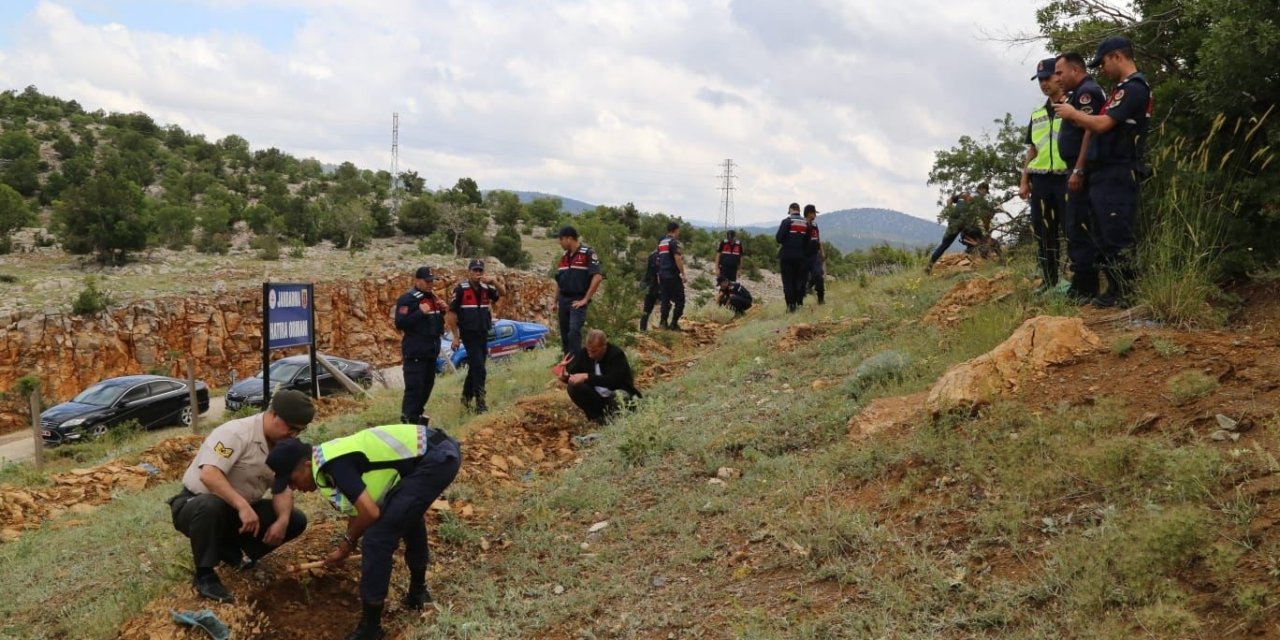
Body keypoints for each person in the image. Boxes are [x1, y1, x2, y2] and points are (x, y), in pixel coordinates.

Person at [266, 422, 461, 640]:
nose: (293, 488)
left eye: (291, 480)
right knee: (405, 516)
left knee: (377, 538)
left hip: (436, 459)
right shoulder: (326, 457)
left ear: (304, 464)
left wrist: (347, 543)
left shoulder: (334, 464)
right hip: (432, 453)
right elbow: (359, 506)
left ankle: (371, 628)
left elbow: (369, 513)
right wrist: (347, 544)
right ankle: (417, 593)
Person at [168, 389, 314, 603]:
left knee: (295, 519)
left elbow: (282, 488)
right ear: (273, 414)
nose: (293, 435)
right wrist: (242, 506)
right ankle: (205, 575)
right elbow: (209, 474)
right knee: (210, 505)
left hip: (237, 514)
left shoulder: (284, 447)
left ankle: (233, 553)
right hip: (196, 505)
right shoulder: (235, 434)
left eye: (298, 431)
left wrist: (282, 521)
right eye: (291, 428)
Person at [1054, 35, 1152, 308]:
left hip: (1117, 170)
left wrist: (1072, 114)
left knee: (1116, 232)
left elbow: (1103, 124)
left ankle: (1127, 290)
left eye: (1104, 62)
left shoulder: (1134, 88)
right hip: (1104, 172)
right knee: (1103, 233)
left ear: (1117, 57)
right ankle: (1114, 288)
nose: (1102, 69)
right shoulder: (1121, 88)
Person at [1054, 51, 1108, 301]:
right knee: (1075, 224)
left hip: (1081, 168)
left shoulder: (1088, 92)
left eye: (1060, 73)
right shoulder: (1076, 95)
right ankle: (1082, 282)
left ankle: (1085, 286)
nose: (1057, 78)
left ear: (1075, 70)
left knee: (1081, 224)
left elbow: (1090, 130)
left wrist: (1079, 168)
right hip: (1074, 167)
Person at [1019, 58, 1070, 292]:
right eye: (1040, 80)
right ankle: (1049, 281)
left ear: (1059, 77)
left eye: (1047, 78)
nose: (1043, 84)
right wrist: (1024, 180)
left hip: (1066, 178)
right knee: (1043, 233)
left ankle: (1078, 282)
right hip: (1041, 180)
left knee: (1072, 230)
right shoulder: (1038, 114)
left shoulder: (1072, 106)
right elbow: (1032, 150)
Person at [394, 266, 450, 425]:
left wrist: (443, 311)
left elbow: (433, 325)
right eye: (427, 281)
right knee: (414, 390)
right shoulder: (408, 299)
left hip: (431, 353)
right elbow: (400, 323)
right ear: (417, 280)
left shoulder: (433, 298)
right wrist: (419, 312)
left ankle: (417, 422)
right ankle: (407, 423)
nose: (431, 284)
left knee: (427, 388)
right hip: (415, 352)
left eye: (432, 281)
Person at [554, 329, 642, 425]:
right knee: (573, 387)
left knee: (620, 395)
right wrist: (565, 377)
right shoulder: (584, 354)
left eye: (594, 351)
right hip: (597, 399)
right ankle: (597, 418)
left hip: (615, 397)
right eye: (589, 351)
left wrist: (587, 376)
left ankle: (616, 423)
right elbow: (574, 375)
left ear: (604, 346)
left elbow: (614, 381)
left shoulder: (616, 355)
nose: (590, 355)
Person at [450, 258, 504, 414]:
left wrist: (494, 281)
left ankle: (466, 398)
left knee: (475, 367)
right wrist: (455, 336)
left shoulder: (486, 288)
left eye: (480, 270)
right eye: (475, 270)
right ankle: (481, 403)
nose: (478, 273)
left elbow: (503, 293)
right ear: (469, 272)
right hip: (468, 334)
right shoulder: (460, 289)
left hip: (482, 333)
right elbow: (451, 314)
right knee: (480, 368)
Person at [554, 226, 604, 354]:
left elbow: (597, 277)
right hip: (563, 301)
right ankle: (568, 367)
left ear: (569, 238)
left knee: (574, 332)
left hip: (577, 300)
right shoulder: (564, 257)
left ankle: (577, 366)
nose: (559, 242)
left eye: (561, 239)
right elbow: (559, 282)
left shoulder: (588, 253)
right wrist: (554, 301)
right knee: (565, 336)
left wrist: (586, 299)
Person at [775, 202, 810, 311]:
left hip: (787, 256)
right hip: (801, 257)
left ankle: (791, 306)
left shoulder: (786, 221)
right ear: (799, 210)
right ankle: (799, 303)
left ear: (790, 210)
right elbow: (808, 241)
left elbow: (779, 238)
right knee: (799, 281)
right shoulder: (806, 223)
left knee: (788, 282)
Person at [926, 193, 970, 272]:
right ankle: (929, 266)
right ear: (983, 189)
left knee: (945, 245)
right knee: (971, 237)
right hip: (961, 223)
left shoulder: (963, 194)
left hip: (956, 223)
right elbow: (949, 200)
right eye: (985, 192)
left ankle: (929, 265)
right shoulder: (974, 197)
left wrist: (951, 212)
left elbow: (949, 200)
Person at [656, 221, 687, 330]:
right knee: (680, 301)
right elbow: (677, 258)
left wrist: (658, 275)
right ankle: (674, 324)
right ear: (676, 230)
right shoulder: (674, 243)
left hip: (663, 276)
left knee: (665, 300)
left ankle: (663, 323)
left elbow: (658, 260)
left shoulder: (661, 242)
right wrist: (683, 274)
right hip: (672, 276)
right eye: (678, 230)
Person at [803, 204, 826, 304]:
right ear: (809, 213)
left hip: (815, 255)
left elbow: (818, 239)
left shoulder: (815, 225)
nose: (815, 215)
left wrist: (822, 252)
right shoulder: (802, 224)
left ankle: (821, 299)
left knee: (818, 275)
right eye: (814, 213)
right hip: (804, 255)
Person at [638, 248, 661, 332]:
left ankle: (642, 329)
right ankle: (663, 327)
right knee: (667, 305)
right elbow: (658, 273)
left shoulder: (652, 254)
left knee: (646, 310)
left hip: (648, 285)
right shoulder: (658, 256)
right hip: (654, 285)